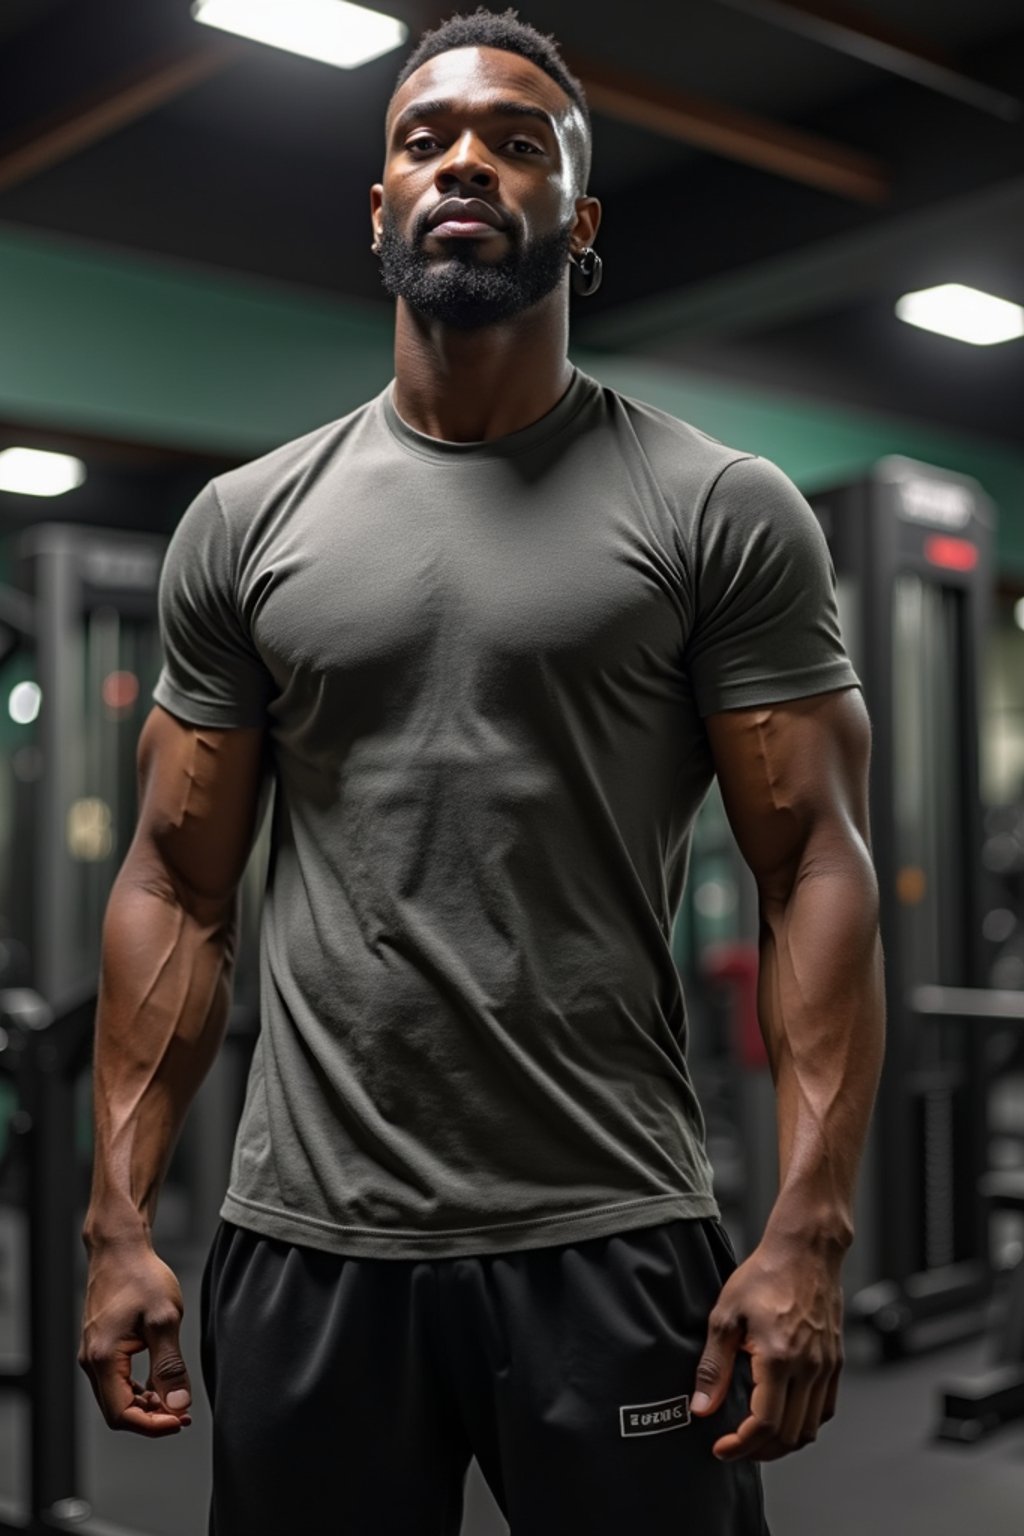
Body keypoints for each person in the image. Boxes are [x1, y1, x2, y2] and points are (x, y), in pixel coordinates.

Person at [77, 7, 885, 1534]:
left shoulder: (720, 508)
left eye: (520, 142)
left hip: (610, 1227)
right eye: (426, 138)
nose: (467, 162)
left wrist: (812, 1228)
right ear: (379, 207)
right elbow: (174, 884)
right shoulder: (245, 524)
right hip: (307, 1238)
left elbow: (813, 867)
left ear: (577, 224)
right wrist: (118, 1217)